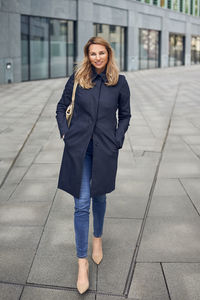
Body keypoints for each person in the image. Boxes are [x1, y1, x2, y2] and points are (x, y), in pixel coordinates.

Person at [56, 36, 131, 294]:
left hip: (104, 151)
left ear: (108, 54)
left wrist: (117, 140)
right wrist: (66, 133)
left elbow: (126, 114)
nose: (97, 57)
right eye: (92, 53)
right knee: (81, 204)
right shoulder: (78, 78)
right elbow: (61, 107)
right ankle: (82, 263)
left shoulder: (119, 83)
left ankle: (97, 239)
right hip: (80, 151)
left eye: (101, 53)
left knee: (99, 196)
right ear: (87, 56)